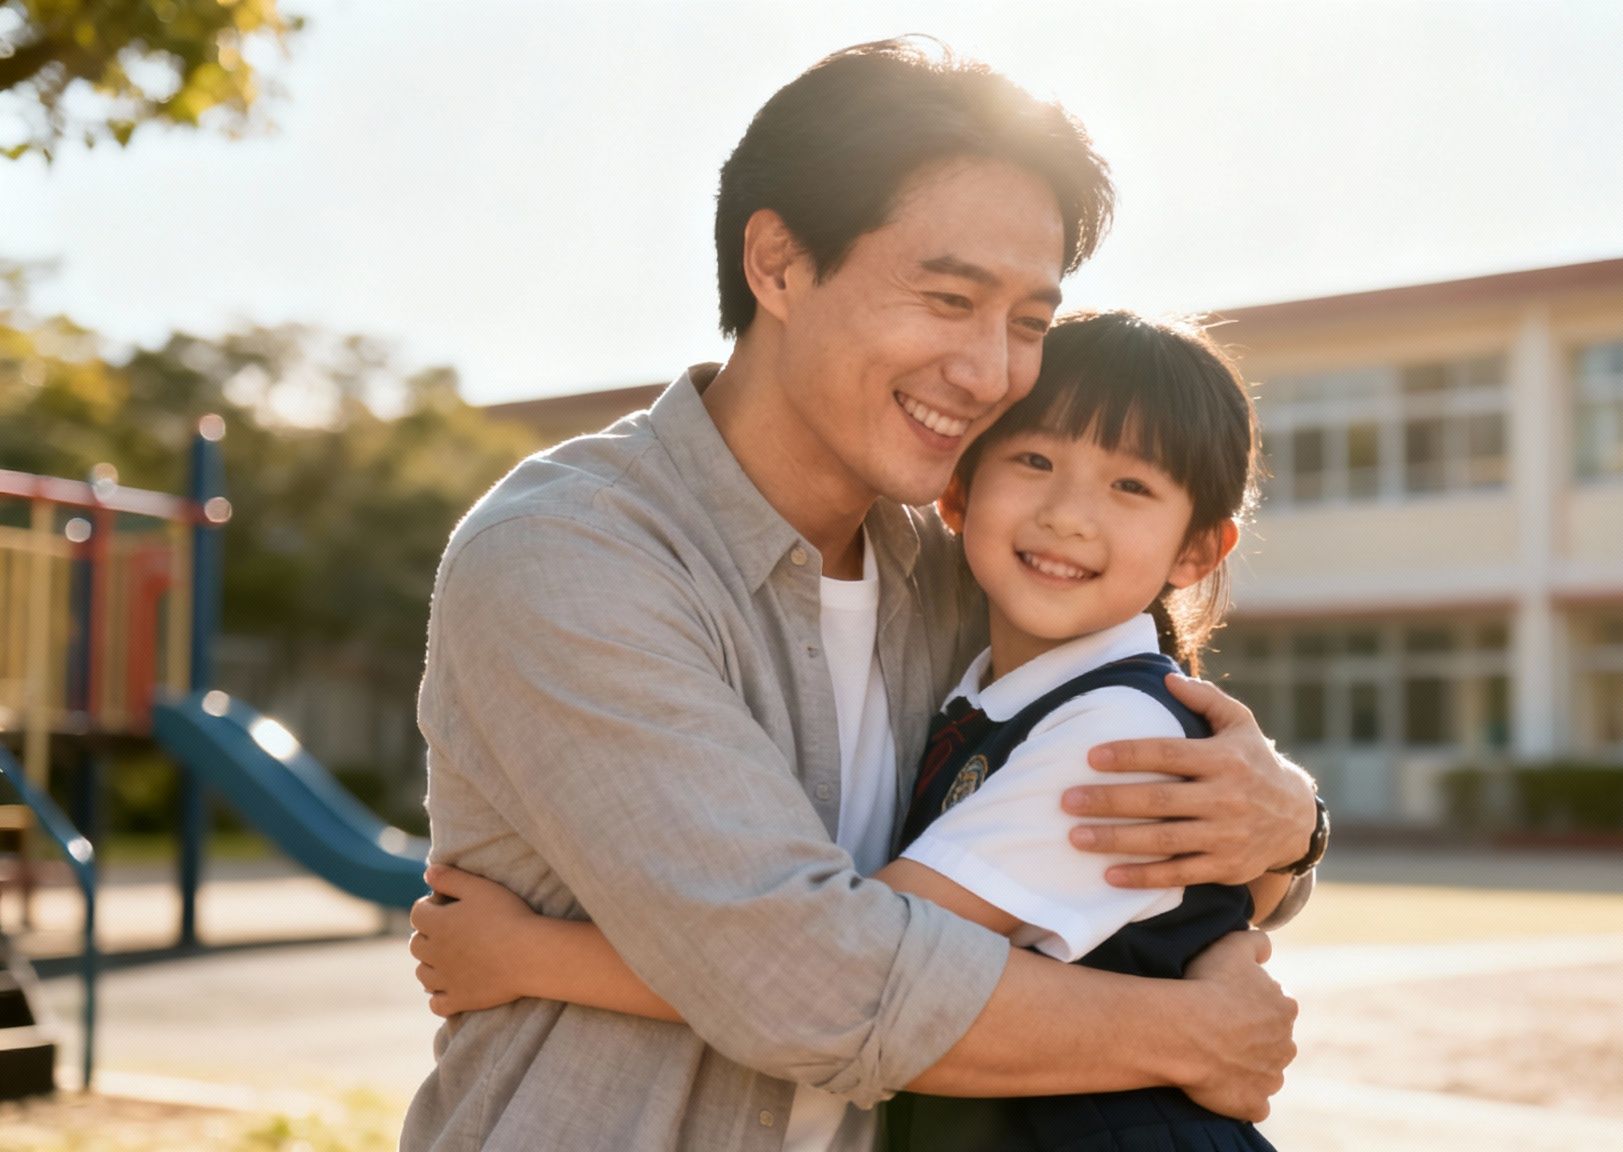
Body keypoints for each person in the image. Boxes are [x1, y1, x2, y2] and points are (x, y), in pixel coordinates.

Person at [400, 40, 1325, 1152]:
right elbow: (805, 983)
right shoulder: (571, 558)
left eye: (1026, 323)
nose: (988, 373)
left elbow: (1141, 872)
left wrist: (1286, 831)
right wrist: (1186, 1035)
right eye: (947, 298)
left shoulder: (961, 576)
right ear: (779, 264)